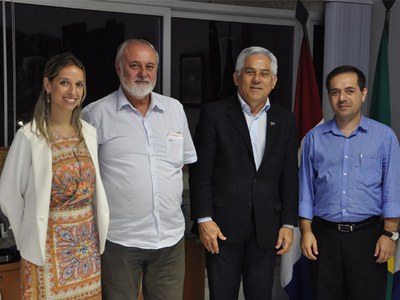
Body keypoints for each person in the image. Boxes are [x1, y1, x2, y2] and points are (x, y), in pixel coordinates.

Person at [82, 39, 197, 300]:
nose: (143, 74)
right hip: (120, 241)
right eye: (135, 65)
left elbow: (184, 163)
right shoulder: (95, 114)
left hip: (169, 239)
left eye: (149, 66)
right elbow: (86, 178)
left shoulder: (174, 110)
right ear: (119, 68)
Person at [189, 46, 299, 300]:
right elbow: (201, 172)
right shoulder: (214, 114)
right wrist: (204, 220)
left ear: (274, 81)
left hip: (266, 228)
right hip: (221, 228)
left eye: (264, 73)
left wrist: (287, 223)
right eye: (250, 72)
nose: (257, 79)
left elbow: (289, 176)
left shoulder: (285, 120)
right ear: (237, 77)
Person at [0, 52, 109, 299]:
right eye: (64, 82)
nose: (73, 91)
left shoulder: (89, 133)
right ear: (47, 85)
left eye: (79, 84)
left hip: (86, 249)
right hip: (44, 249)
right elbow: (8, 195)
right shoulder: (30, 136)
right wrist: (28, 233)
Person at [299, 65, 400, 300]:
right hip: (324, 237)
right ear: (330, 97)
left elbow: (392, 190)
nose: (342, 98)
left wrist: (390, 234)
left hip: (369, 239)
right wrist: (306, 231)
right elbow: (305, 190)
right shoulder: (314, 138)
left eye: (349, 91)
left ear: (363, 94)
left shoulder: (384, 136)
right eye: (335, 92)